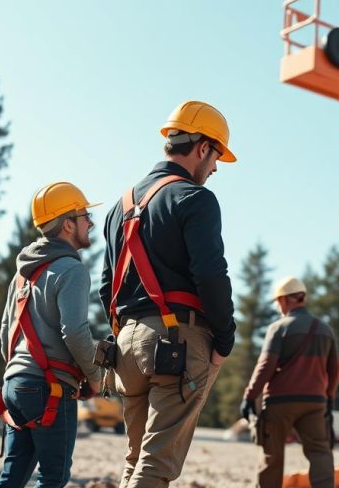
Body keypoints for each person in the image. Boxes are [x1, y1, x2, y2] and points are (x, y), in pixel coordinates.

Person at [99, 100, 237, 488]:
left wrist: (126, 332)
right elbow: (211, 275)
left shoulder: (119, 207)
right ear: (203, 148)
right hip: (176, 341)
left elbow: (105, 284)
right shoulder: (195, 198)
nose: (214, 170)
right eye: (216, 159)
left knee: (136, 460)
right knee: (156, 466)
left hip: (126, 343)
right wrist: (225, 337)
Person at [0, 181, 104, 488]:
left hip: (14, 385)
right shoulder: (72, 270)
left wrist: (20, 373)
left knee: (13, 474)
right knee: (53, 477)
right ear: (68, 224)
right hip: (51, 388)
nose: (91, 223)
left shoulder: (22, 273)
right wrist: (94, 377)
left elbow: (6, 332)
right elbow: (76, 333)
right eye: (85, 216)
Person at [240, 276, 339, 488]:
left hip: (280, 402)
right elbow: (334, 369)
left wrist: (249, 396)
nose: (278, 307)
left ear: (285, 300)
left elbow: (266, 366)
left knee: (271, 457)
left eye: (278, 302)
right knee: (320, 453)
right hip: (314, 402)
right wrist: (329, 398)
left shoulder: (279, 328)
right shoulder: (325, 329)